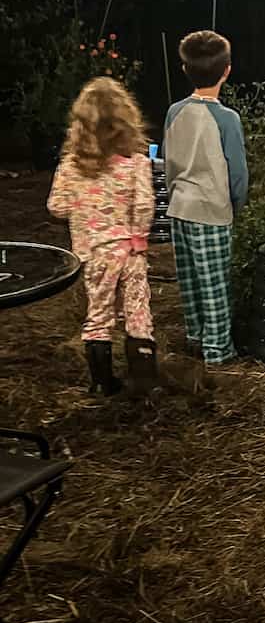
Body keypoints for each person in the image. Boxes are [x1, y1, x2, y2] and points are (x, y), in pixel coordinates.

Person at [47, 77, 157, 397]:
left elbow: (56, 206)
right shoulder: (136, 163)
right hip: (130, 251)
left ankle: (102, 383)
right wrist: (138, 236)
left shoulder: (71, 166)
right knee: (138, 312)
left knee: (99, 314)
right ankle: (145, 381)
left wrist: (83, 204)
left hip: (93, 254)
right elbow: (146, 203)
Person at [163, 29, 248, 368]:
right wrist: (235, 204)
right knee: (215, 286)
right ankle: (217, 354)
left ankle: (195, 338)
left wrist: (172, 194)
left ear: (185, 70)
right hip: (212, 211)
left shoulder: (174, 111)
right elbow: (237, 172)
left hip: (179, 207)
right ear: (227, 70)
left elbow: (168, 161)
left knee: (190, 281)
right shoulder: (227, 119)